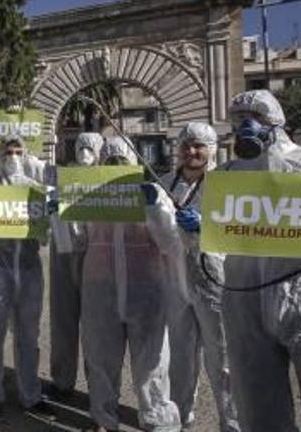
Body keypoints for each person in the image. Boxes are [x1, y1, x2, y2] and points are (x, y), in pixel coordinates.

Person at [217, 90, 301, 431]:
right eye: (240, 118)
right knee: (257, 399)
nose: (247, 125)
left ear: (275, 122)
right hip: (244, 296)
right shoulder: (227, 174)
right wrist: (199, 226)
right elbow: (211, 236)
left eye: (255, 117)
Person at [78, 137, 181, 432]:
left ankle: (157, 421)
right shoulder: (91, 196)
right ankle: (103, 420)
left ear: (135, 164)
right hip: (101, 292)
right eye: (110, 162)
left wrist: (155, 211)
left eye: (123, 162)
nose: (117, 168)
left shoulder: (154, 194)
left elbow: (170, 243)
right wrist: (59, 217)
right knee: (100, 361)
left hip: (145, 291)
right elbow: (77, 242)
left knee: (152, 364)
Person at [153, 122, 239, 431]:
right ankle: (182, 419)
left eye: (199, 146)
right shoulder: (164, 184)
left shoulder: (224, 184)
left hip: (216, 282)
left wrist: (203, 225)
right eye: (187, 145)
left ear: (211, 149)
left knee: (223, 360)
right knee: (181, 359)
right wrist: (152, 210)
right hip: (176, 282)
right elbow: (156, 235)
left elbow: (237, 228)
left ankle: (231, 424)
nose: (192, 151)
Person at [0, 131, 53, 422]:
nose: (13, 157)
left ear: (25, 153)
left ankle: (30, 394)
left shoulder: (35, 189)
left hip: (29, 270)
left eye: (18, 151)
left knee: (29, 335)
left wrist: (50, 220)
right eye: (8, 152)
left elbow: (44, 239)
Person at [47, 132, 103, 400]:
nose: (85, 153)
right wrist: (50, 210)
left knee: (95, 326)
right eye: (80, 147)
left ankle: (98, 388)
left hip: (95, 256)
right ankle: (62, 380)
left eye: (90, 148)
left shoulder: (107, 182)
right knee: (62, 320)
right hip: (63, 252)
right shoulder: (61, 178)